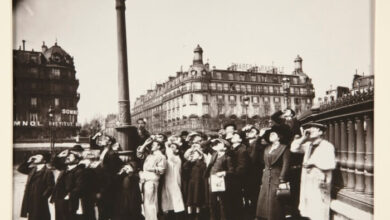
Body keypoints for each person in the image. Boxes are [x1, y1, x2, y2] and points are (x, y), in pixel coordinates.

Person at [290, 122, 336, 220]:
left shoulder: (327, 146)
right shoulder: (308, 145)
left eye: (314, 128)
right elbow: (293, 148)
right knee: (310, 208)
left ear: (321, 132)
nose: (310, 130)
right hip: (308, 180)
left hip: (320, 180)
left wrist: (314, 163)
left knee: (319, 208)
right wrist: (303, 138)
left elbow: (330, 164)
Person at [256, 125, 291, 220]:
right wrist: (259, 136)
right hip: (266, 177)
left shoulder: (284, 148)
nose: (271, 135)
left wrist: (282, 179)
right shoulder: (267, 147)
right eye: (270, 134)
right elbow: (256, 147)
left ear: (279, 137)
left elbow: (286, 164)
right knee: (264, 202)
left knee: (275, 202)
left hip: (277, 177)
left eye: (273, 134)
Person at [51, 150, 86, 220]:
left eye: (70, 156)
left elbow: (79, 187)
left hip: (70, 202)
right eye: (67, 156)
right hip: (59, 200)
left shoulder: (79, 171)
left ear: (77, 160)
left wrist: (68, 196)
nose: (67, 157)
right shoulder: (65, 168)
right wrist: (59, 155)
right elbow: (54, 163)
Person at [18, 153, 54, 220]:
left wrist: (42, 197)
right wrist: (29, 161)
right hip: (30, 198)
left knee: (41, 216)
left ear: (44, 160)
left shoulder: (48, 172)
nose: (36, 157)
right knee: (32, 217)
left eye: (39, 156)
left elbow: (51, 187)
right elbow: (20, 169)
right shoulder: (32, 169)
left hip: (40, 200)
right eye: (36, 156)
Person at [205, 138, 235, 220]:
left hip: (222, 183)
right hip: (212, 181)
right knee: (212, 203)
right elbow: (205, 146)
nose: (216, 145)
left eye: (219, 144)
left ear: (225, 147)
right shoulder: (214, 154)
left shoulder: (227, 158)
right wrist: (213, 139)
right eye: (216, 145)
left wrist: (223, 173)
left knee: (223, 203)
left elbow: (231, 171)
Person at [137, 140, 167, 220]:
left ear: (159, 146)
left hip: (152, 181)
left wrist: (151, 169)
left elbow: (162, 170)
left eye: (154, 145)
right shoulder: (150, 155)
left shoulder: (161, 156)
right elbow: (139, 154)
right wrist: (145, 144)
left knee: (151, 202)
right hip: (145, 181)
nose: (152, 146)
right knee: (146, 201)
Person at [97, 136, 124, 220]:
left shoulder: (112, 154)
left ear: (109, 142)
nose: (102, 140)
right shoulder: (103, 151)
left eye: (104, 139)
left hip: (107, 183)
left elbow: (112, 171)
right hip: (101, 181)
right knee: (101, 205)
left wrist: (107, 184)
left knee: (107, 205)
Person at [229, 131, 250, 220]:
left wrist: (231, 174)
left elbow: (242, 166)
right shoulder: (232, 148)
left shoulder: (242, 150)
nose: (233, 137)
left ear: (240, 139)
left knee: (237, 201)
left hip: (237, 179)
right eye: (233, 135)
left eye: (236, 136)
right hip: (231, 178)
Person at [161, 142, 185, 219]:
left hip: (174, 182)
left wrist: (166, 145)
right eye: (170, 147)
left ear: (177, 150)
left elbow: (170, 155)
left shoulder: (177, 159)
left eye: (173, 147)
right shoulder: (168, 159)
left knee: (176, 200)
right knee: (168, 200)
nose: (170, 149)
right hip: (167, 181)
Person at [183, 147, 207, 220]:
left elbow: (203, 175)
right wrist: (189, 160)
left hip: (199, 185)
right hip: (191, 185)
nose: (193, 155)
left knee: (197, 202)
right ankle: (190, 216)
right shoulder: (190, 164)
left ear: (200, 156)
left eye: (195, 154)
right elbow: (185, 170)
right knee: (189, 202)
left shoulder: (202, 164)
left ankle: (197, 216)